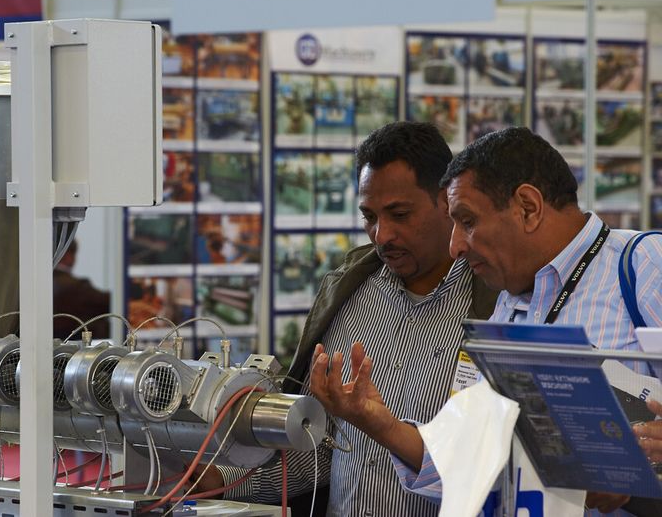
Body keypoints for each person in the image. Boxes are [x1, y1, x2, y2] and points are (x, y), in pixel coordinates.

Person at [312, 127, 662, 517]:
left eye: (467, 221)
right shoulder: (509, 304)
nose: (455, 246)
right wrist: (378, 422)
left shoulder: (645, 266)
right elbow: (470, 464)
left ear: (528, 207)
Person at [198, 121, 498, 516]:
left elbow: (493, 465)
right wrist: (225, 479)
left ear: (446, 201)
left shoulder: (494, 306)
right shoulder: (350, 292)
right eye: (369, 216)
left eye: (399, 214)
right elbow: (319, 447)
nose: (381, 234)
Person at [53, 239, 111, 340]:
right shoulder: (77, 287)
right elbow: (110, 303)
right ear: (68, 256)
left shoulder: (30, 286)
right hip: (75, 350)